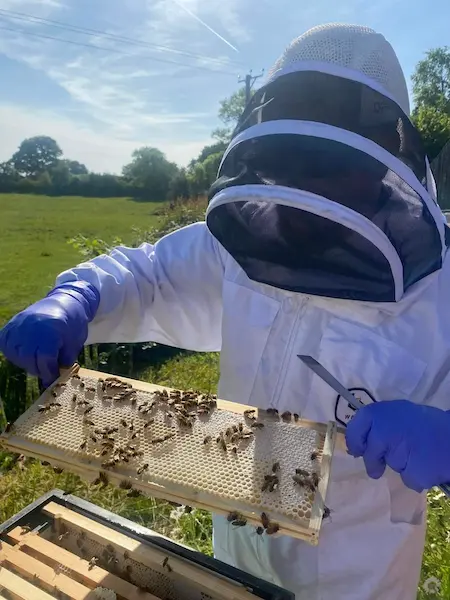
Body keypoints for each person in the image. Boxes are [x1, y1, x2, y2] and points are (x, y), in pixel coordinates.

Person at [0, 23, 449, 600]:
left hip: (356, 571)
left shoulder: (437, 285)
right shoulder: (243, 238)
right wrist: (78, 295)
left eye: (328, 165)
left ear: (381, 155)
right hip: (237, 535)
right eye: (292, 162)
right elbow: (151, 274)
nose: (307, 187)